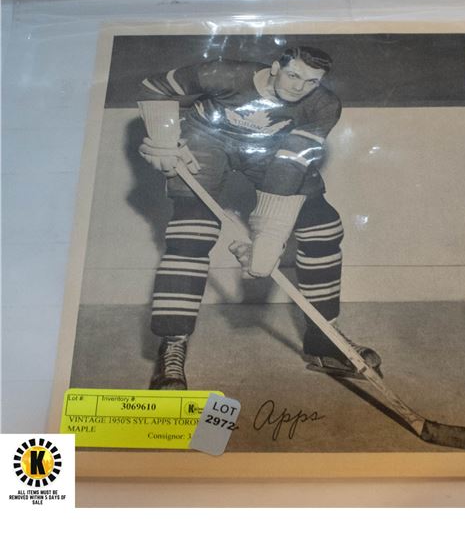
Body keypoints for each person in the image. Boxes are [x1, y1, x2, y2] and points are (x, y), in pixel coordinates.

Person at [138, 45, 382, 389]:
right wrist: (163, 139)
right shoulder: (222, 73)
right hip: (206, 139)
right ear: (275, 67)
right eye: (293, 75)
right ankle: (172, 345)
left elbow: (289, 164)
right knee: (191, 231)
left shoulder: (323, 105)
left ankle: (325, 342)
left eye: (311, 81)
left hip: (271, 150)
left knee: (323, 229)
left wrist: (267, 243)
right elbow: (154, 87)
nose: (298, 87)